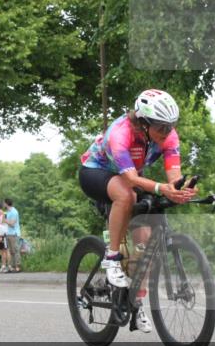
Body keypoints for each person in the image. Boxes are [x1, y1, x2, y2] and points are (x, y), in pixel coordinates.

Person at [78, 89, 195, 333]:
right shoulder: (120, 134)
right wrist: (162, 188)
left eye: (171, 126)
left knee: (145, 242)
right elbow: (130, 179)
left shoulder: (168, 136)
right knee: (127, 194)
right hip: (96, 173)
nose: (168, 132)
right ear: (143, 123)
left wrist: (178, 189)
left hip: (128, 177)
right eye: (162, 127)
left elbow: (173, 175)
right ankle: (111, 259)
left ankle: (136, 299)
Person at [4, 198, 22, 274]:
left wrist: (5, 220)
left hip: (14, 234)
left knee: (16, 250)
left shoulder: (14, 212)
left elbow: (12, 224)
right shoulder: (7, 212)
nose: (3, 204)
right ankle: (12, 267)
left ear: (7, 203)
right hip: (8, 233)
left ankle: (17, 267)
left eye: (4, 203)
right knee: (11, 252)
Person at [0, 203, 10, 272]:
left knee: (6, 250)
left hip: (4, 235)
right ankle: (3, 266)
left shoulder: (4, 214)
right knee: (2, 251)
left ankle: (9, 266)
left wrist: (3, 215)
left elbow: (5, 224)